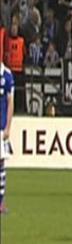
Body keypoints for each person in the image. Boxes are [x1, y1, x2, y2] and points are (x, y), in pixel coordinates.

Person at [0, 61, 15, 214]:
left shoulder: (7, 75)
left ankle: (0, 201)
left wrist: (8, 127)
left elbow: (11, 103)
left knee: (1, 165)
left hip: (0, 128)